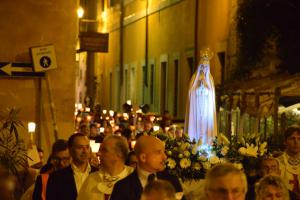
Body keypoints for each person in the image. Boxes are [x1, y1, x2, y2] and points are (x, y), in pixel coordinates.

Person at [110, 135, 184, 200]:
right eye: (158, 152)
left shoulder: (172, 181)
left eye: (164, 152)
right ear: (143, 157)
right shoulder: (123, 187)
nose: (165, 157)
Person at [77, 135, 134, 200]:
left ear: (118, 154)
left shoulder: (134, 179)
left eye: (104, 150)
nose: (98, 153)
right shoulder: (91, 179)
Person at [46, 133, 97, 200]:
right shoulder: (57, 178)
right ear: (70, 150)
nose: (85, 151)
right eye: (80, 147)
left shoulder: (98, 173)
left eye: (87, 147)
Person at [184, 48, 217, 145]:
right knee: (197, 125)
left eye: (206, 67)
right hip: (196, 107)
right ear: (199, 67)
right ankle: (195, 143)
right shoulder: (194, 78)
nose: (204, 69)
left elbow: (211, 95)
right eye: (202, 66)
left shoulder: (210, 79)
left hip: (206, 108)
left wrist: (205, 85)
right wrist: (199, 84)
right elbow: (191, 93)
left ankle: (206, 143)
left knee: (204, 126)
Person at [277, 125, 300, 198]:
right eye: (292, 138)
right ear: (285, 141)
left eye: (299, 139)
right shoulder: (276, 163)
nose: (296, 142)